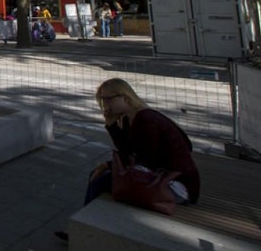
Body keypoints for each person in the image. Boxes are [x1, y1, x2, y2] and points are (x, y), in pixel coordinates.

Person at [84, 78, 199, 206]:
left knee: (100, 181)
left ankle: (86, 219)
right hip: (158, 177)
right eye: (102, 99)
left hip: (178, 186)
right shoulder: (129, 118)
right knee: (97, 175)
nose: (105, 105)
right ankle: (88, 216)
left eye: (109, 99)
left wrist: (108, 165)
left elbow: (144, 161)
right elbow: (127, 151)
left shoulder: (146, 119)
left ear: (125, 97)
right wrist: (112, 125)